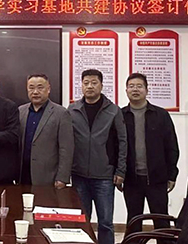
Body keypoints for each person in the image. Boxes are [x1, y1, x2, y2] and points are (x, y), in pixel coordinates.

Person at [68, 69, 127, 244]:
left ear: (101, 85)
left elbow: (122, 142)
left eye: (94, 83)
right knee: (81, 220)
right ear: (81, 85)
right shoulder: (72, 110)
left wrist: (120, 171)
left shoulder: (113, 111)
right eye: (86, 83)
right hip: (79, 175)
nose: (90, 86)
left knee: (106, 222)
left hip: (104, 176)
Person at [122, 72, 179, 235]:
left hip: (157, 179)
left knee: (161, 220)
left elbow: (172, 147)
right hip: (131, 179)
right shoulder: (120, 115)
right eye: (131, 86)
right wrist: (118, 173)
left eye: (139, 86)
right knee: (133, 220)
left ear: (147, 90)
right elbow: (114, 147)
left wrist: (172, 175)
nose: (135, 89)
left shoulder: (160, 115)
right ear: (126, 90)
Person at [19, 74, 73, 188]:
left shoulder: (61, 113)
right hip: (23, 175)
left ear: (48, 89)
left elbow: (66, 149)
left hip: (48, 177)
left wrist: (62, 178)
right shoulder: (21, 111)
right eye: (31, 87)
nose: (35, 92)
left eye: (40, 87)